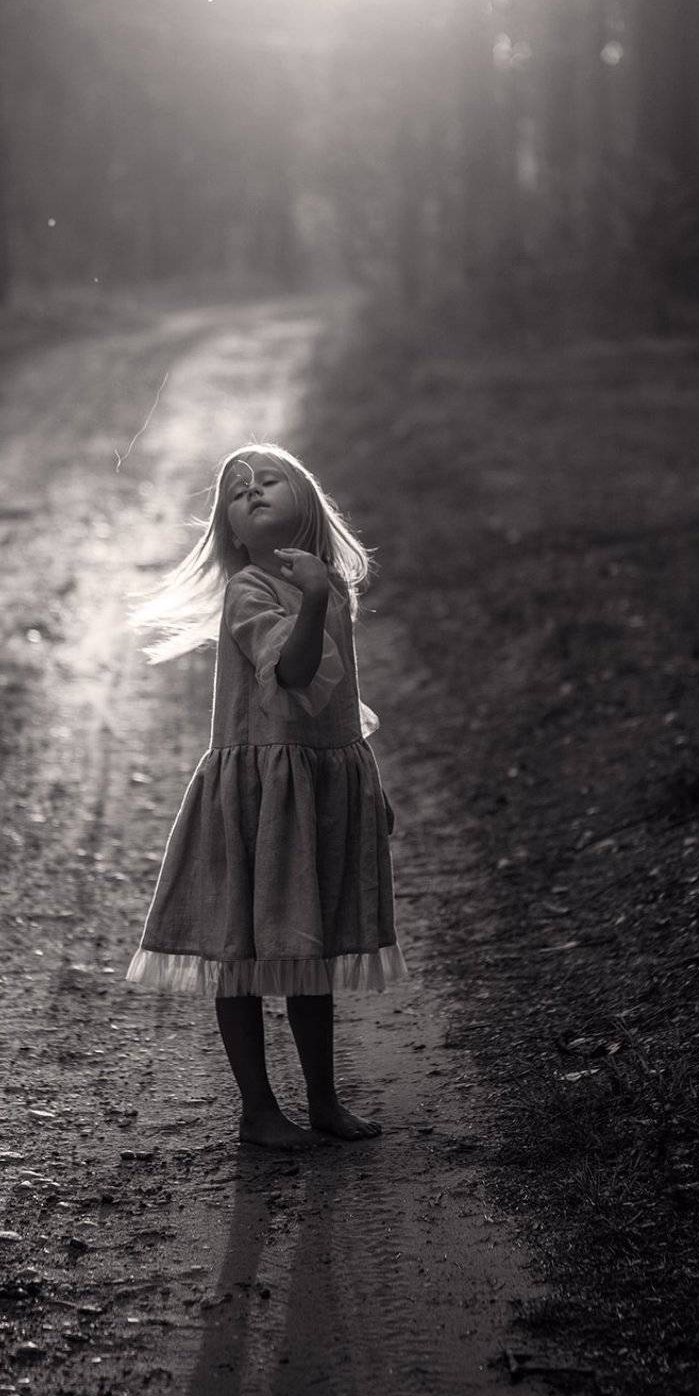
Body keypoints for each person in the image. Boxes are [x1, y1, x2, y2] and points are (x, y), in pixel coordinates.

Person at [124, 442, 409, 1150]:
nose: (251, 492)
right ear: (229, 528)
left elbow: (339, 698)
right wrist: (310, 599)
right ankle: (258, 1110)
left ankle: (323, 1101)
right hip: (258, 793)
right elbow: (292, 672)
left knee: (308, 948)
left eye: (268, 481)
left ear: (304, 501)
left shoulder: (328, 586)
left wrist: (370, 784)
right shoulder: (249, 590)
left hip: (316, 786)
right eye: (236, 491)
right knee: (242, 952)